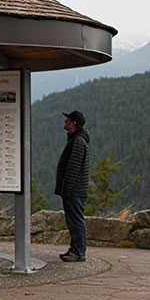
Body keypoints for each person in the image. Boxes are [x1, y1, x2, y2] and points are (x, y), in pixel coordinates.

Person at [55, 110, 90, 262]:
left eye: (67, 121)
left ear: (73, 123)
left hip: (74, 191)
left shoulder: (78, 142)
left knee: (76, 221)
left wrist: (67, 191)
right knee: (73, 220)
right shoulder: (76, 140)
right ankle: (74, 249)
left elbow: (73, 168)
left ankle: (78, 252)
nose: (65, 123)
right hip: (74, 190)